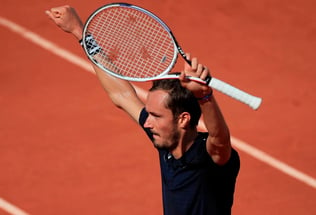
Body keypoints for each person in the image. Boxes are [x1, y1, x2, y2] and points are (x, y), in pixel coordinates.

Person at [45, 5, 240, 215]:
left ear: (183, 119)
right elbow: (122, 94)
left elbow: (219, 138)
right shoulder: (167, 141)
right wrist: (80, 32)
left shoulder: (208, 158)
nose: (147, 122)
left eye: (156, 116)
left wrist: (204, 96)